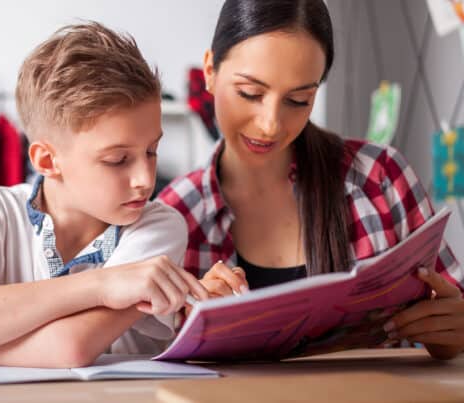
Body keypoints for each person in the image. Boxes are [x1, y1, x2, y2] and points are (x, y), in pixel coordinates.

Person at [0, 22, 207, 368]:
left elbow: (69, 348)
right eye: (117, 160)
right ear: (47, 160)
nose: (144, 178)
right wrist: (103, 285)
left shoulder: (158, 225)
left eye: (152, 151)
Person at [159, 0, 464, 360]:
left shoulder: (380, 178)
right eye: (250, 94)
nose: (270, 124)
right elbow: (143, 366)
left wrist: (451, 334)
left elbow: (450, 308)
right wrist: (196, 325)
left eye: (298, 100)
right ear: (210, 70)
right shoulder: (174, 216)